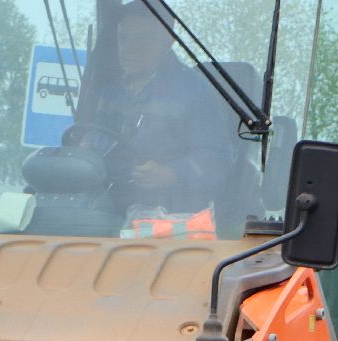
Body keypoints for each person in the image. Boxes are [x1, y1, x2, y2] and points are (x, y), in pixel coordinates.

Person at [84, 1, 234, 217]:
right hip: (110, 210)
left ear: (167, 40)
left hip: (167, 220)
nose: (128, 49)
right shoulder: (111, 92)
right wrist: (86, 149)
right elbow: (97, 138)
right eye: (123, 39)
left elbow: (217, 159)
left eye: (141, 39)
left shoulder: (194, 92)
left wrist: (170, 173)